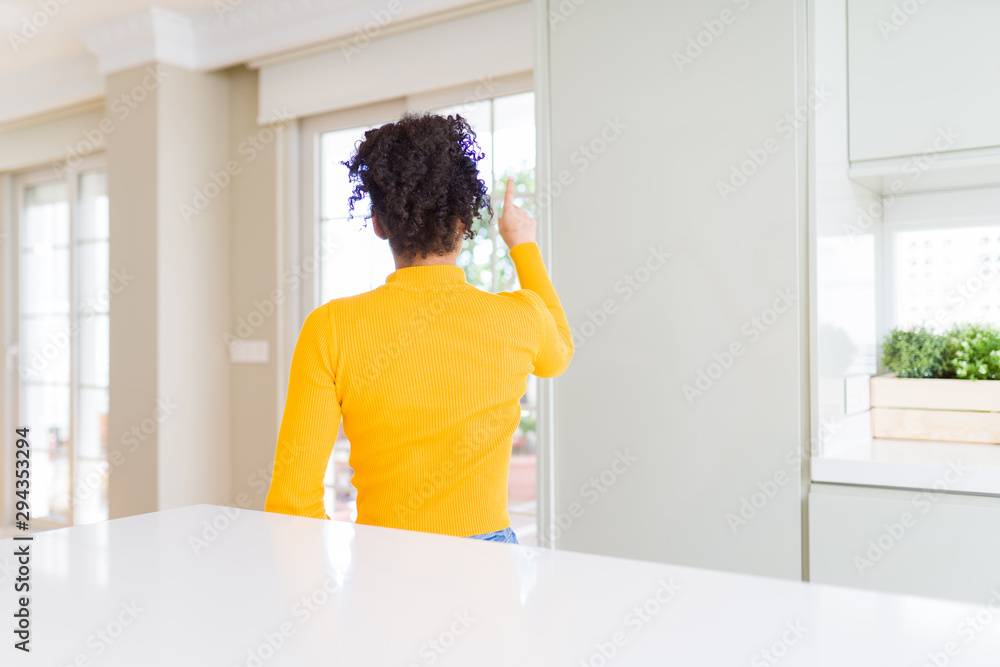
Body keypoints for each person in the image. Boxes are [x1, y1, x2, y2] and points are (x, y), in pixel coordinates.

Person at [264, 112, 573, 544]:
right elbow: (560, 352)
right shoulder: (519, 318)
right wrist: (524, 245)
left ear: (378, 224)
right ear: (465, 221)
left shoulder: (330, 329)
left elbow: (291, 506)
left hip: (382, 564)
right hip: (488, 566)